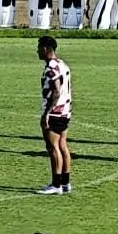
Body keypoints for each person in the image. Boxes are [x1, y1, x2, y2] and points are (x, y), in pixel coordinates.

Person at [36, 36, 76, 195]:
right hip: (66, 111)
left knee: (53, 148)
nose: (37, 51)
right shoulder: (63, 65)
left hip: (55, 113)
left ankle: (56, 184)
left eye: (39, 48)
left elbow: (56, 91)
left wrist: (47, 113)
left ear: (45, 49)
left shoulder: (51, 69)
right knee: (63, 146)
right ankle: (66, 183)